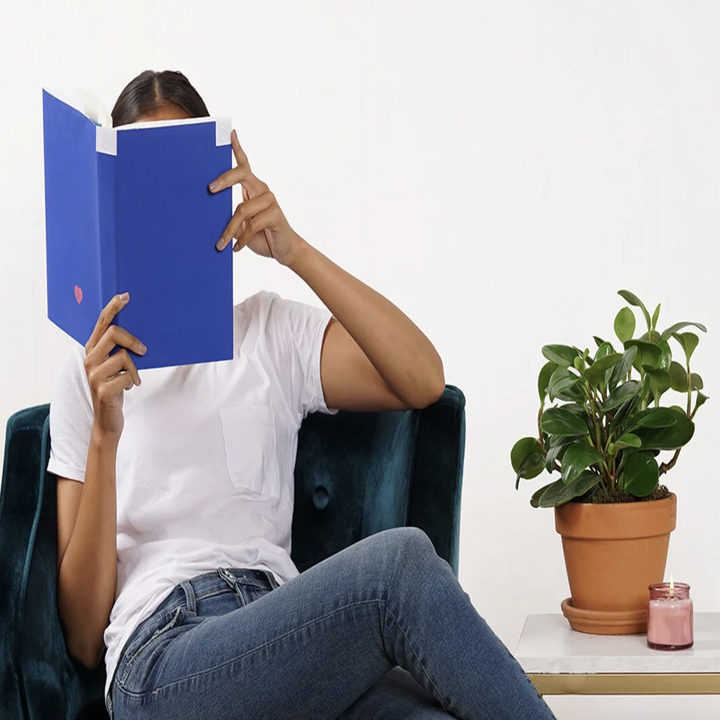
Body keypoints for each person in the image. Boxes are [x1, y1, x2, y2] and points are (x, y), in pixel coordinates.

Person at [49, 69, 556, 720]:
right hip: (166, 659)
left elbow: (422, 379)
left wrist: (293, 251)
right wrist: (105, 432)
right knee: (400, 565)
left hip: (286, 636)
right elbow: (86, 638)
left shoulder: (268, 331)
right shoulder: (86, 374)